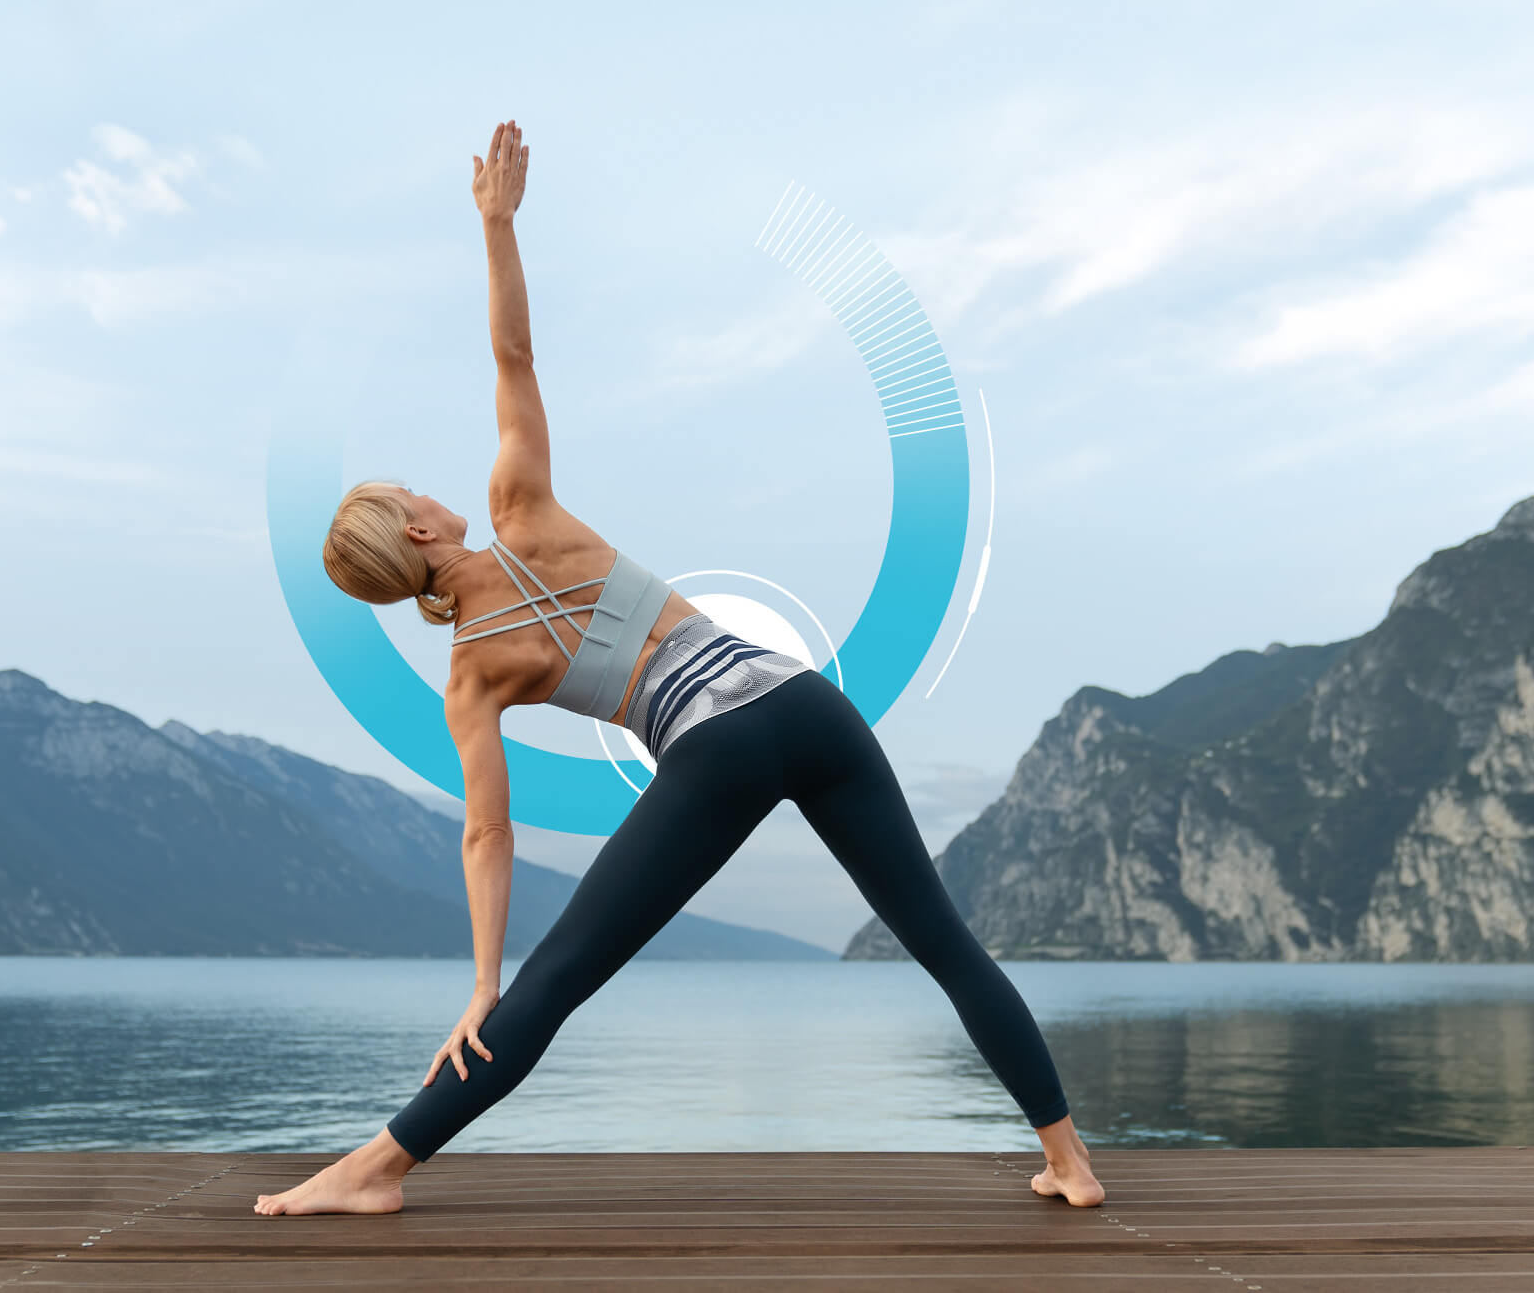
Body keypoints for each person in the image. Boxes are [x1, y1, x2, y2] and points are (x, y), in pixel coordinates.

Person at [257, 120, 1104, 1216]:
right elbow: (513, 356)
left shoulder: (471, 675)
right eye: (409, 495)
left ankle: (375, 1170)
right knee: (943, 943)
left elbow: (487, 833)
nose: (425, 490)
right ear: (415, 534)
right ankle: (1072, 1163)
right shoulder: (521, 508)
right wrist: (499, 229)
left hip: (717, 750)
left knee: (555, 980)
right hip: (806, 702)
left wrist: (482, 986)